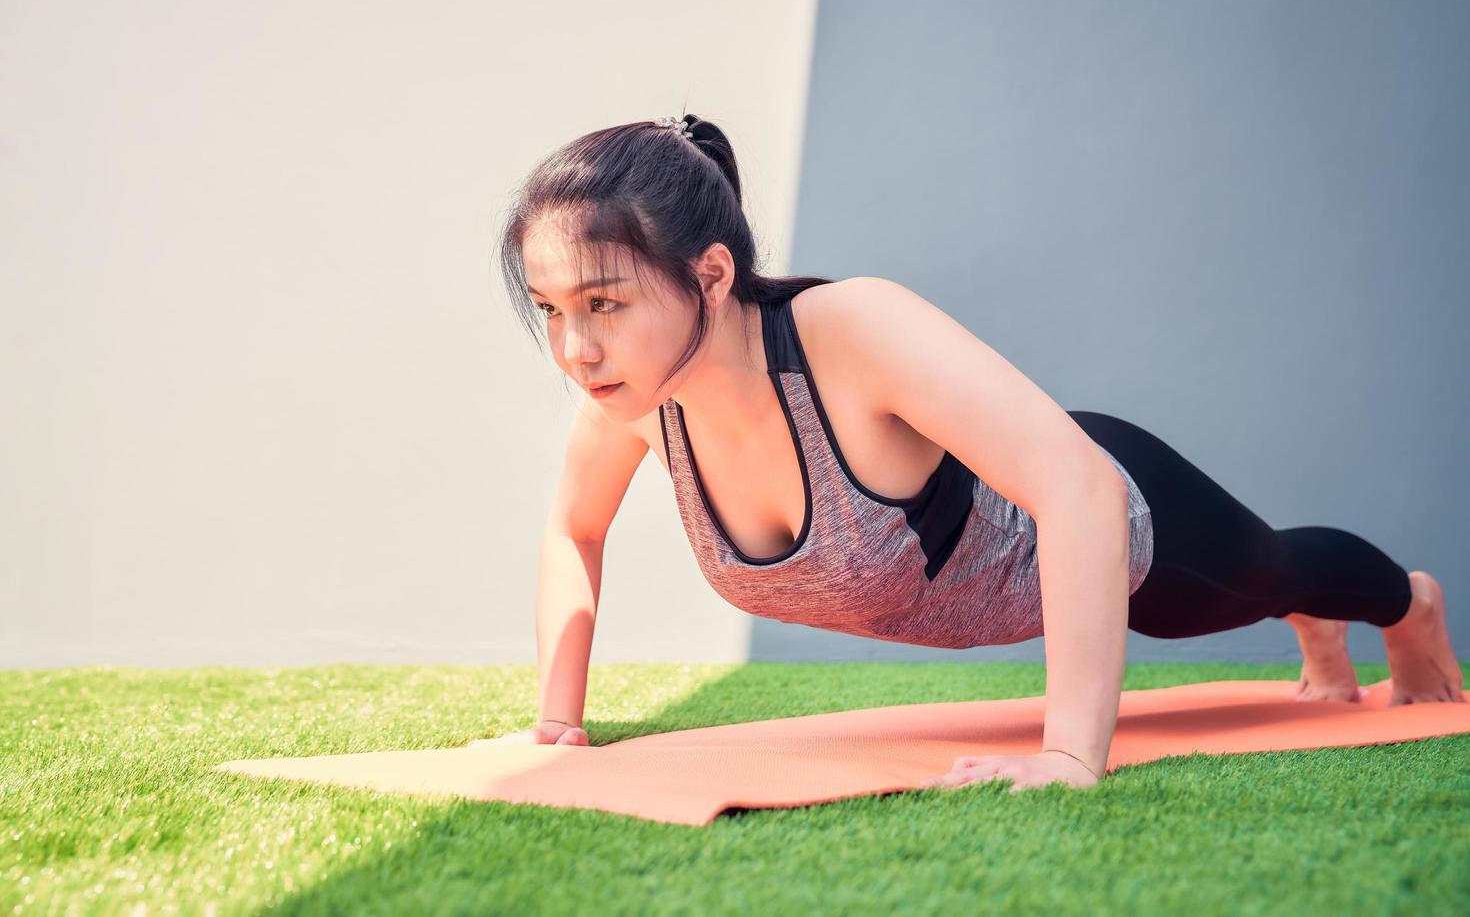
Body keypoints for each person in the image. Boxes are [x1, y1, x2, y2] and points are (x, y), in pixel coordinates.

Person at [475, 113, 1463, 784]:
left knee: (1267, 568)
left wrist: (1070, 755)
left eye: (602, 304)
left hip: (1112, 512)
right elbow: (573, 526)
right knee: (1269, 580)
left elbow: (1078, 485)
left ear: (713, 272)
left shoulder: (848, 331)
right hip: (1037, 539)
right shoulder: (632, 395)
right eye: (553, 311)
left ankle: (1405, 605)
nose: (575, 348)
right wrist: (559, 718)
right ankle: (1313, 620)